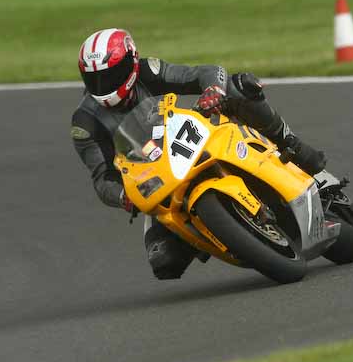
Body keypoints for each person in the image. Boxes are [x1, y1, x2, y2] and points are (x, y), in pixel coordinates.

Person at [71, 28, 326, 280]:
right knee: (164, 261)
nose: (103, 84)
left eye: (111, 74)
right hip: (158, 178)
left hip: (188, 136)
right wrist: (123, 197)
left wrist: (213, 90)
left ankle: (292, 145)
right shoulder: (84, 122)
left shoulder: (148, 71)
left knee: (239, 86)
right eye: (95, 78)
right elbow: (102, 178)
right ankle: (224, 233)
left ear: (132, 63)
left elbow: (205, 72)